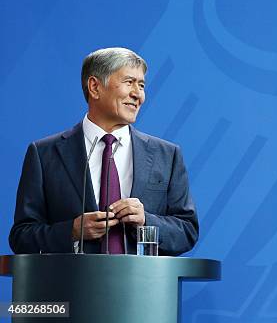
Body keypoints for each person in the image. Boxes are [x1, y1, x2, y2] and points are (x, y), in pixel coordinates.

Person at [9, 47, 198, 255]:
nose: (138, 95)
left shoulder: (167, 155)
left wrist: (146, 221)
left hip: (143, 285)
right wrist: (71, 231)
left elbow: (187, 231)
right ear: (95, 87)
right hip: (71, 285)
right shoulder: (44, 154)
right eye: (129, 82)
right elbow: (22, 237)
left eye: (142, 85)